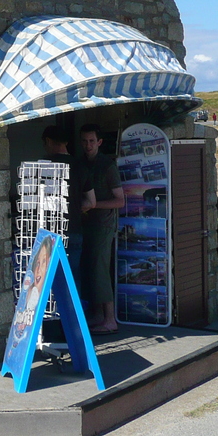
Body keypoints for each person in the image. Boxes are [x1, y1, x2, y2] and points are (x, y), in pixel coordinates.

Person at [74, 124, 125, 333]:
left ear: (99, 142)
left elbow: (120, 201)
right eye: (85, 141)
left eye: (92, 141)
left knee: (100, 269)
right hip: (85, 224)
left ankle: (110, 319)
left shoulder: (107, 166)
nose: (88, 145)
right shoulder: (80, 163)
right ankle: (97, 315)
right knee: (88, 268)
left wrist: (94, 205)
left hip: (103, 224)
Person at [41, 126, 95, 284]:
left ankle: (52, 309)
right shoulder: (80, 166)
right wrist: (74, 206)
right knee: (71, 280)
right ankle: (72, 309)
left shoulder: (43, 166)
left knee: (48, 281)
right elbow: (91, 202)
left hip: (48, 232)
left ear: (49, 141)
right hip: (74, 229)